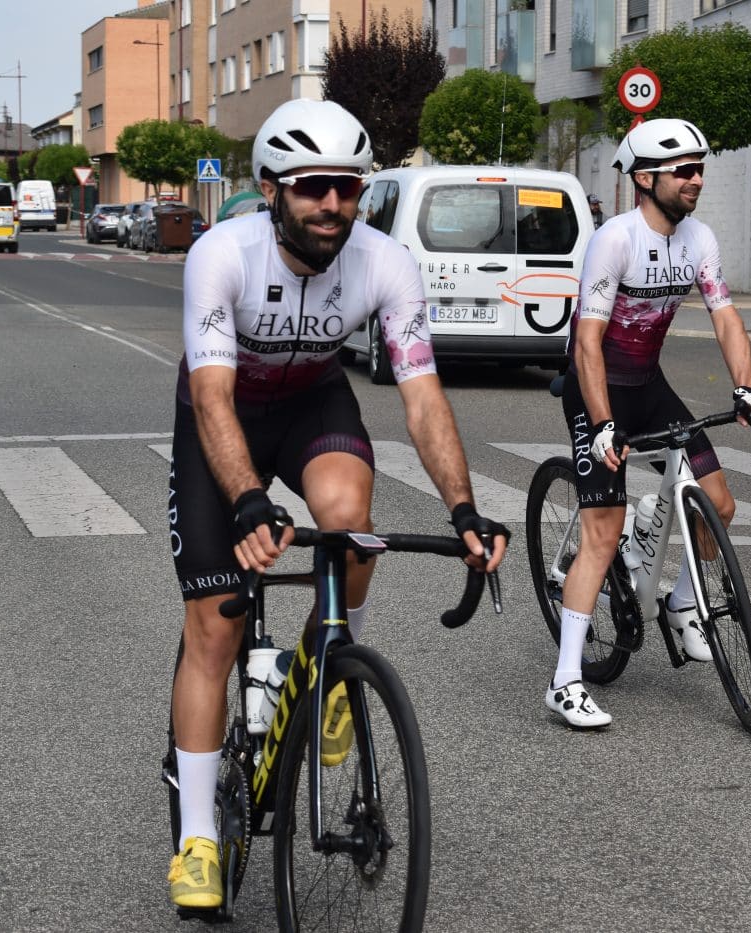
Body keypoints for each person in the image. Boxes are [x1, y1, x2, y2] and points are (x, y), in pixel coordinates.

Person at [164, 98, 509, 910]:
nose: (333, 204)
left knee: (350, 522)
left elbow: (422, 398)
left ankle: (321, 662)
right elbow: (211, 396)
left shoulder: (386, 263)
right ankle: (198, 838)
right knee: (214, 624)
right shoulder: (221, 254)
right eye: (314, 187)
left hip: (311, 404)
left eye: (348, 188)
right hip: (222, 413)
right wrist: (248, 500)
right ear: (271, 188)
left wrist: (464, 508)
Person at [546, 118, 751, 730]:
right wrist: (602, 424)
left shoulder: (700, 238)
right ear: (646, 179)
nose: (697, 179)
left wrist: (748, 388)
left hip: (648, 386)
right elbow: (588, 343)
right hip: (596, 389)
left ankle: (681, 605)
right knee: (602, 533)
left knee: (719, 504)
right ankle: (565, 680)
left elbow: (726, 318)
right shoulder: (614, 240)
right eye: (685, 170)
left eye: (700, 168)